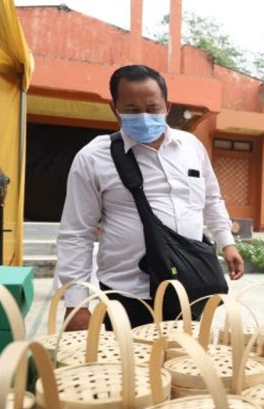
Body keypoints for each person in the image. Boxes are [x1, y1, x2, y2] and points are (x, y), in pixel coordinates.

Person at [57, 64, 244, 329]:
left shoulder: (190, 146)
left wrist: (227, 243)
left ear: (167, 106)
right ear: (115, 109)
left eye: (153, 109)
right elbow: (76, 233)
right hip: (128, 293)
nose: (144, 117)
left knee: (183, 362)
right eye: (132, 110)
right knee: (129, 367)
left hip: (189, 287)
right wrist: (76, 303)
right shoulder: (93, 157)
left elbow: (211, 199)